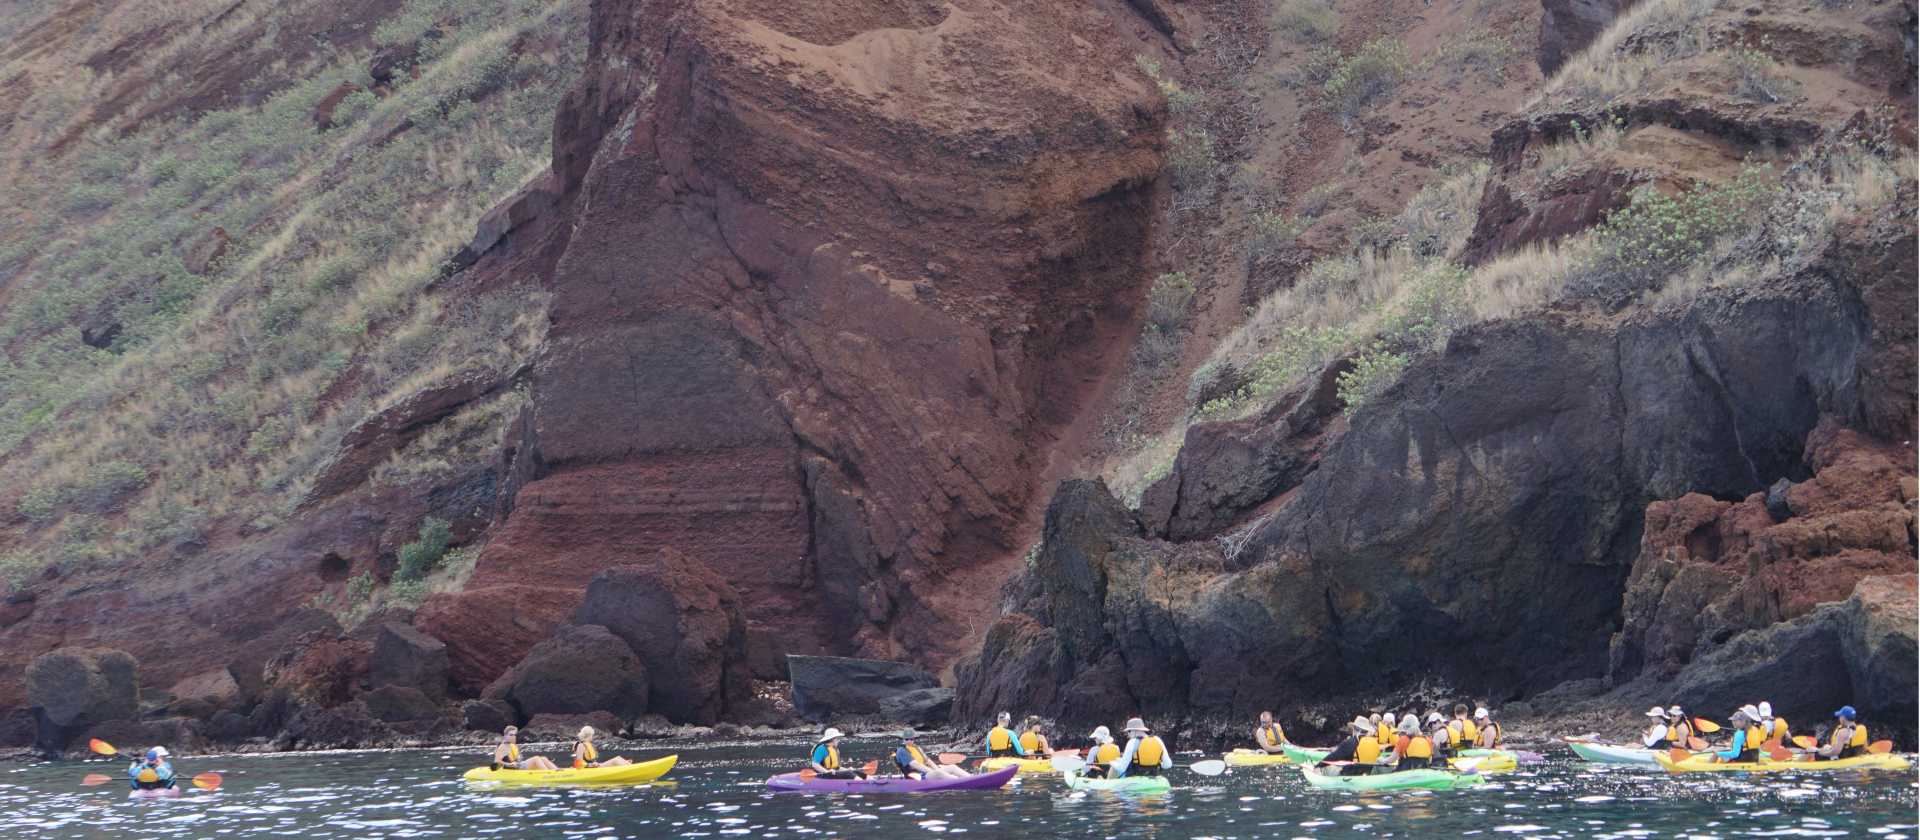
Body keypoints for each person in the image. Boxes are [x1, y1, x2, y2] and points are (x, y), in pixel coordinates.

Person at [1317, 717, 1383, 777]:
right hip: (1369, 774)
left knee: (1326, 768)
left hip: (1350, 775)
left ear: (1355, 729)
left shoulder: (1351, 742)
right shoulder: (1374, 742)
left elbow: (1334, 757)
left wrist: (1318, 765)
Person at [895, 731, 969, 779]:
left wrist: (936, 768)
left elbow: (928, 760)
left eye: (911, 739)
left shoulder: (917, 748)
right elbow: (915, 765)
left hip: (926, 773)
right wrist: (934, 772)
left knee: (952, 767)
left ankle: (971, 778)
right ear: (903, 740)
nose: (910, 741)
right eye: (907, 739)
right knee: (938, 773)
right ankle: (958, 781)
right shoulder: (902, 751)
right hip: (916, 776)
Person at [494, 725, 559, 771]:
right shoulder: (503, 746)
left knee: (543, 758)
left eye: (514, 735)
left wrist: (518, 759)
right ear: (505, 736)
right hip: (512, 769)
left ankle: (557, 770)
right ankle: (548, 774)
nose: (513, 737)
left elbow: (517, 759)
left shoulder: (512, 745)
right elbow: (497, 761)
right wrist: (509, 764)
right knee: (536, 758)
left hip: (519, 765)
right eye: (511, 735)